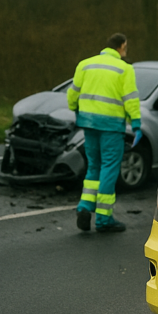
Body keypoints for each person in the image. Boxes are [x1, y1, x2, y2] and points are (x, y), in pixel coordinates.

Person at [67, 33, 141, 233]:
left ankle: (84, 206)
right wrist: (136, 123)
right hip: (111, 126)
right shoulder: (124, 69)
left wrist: (76, 109)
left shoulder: (85, 64)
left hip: (89, 124)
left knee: (93, 166)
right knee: (109, 167)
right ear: (122, 46)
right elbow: (131, 99)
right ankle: (103, 217)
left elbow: (72, 94)